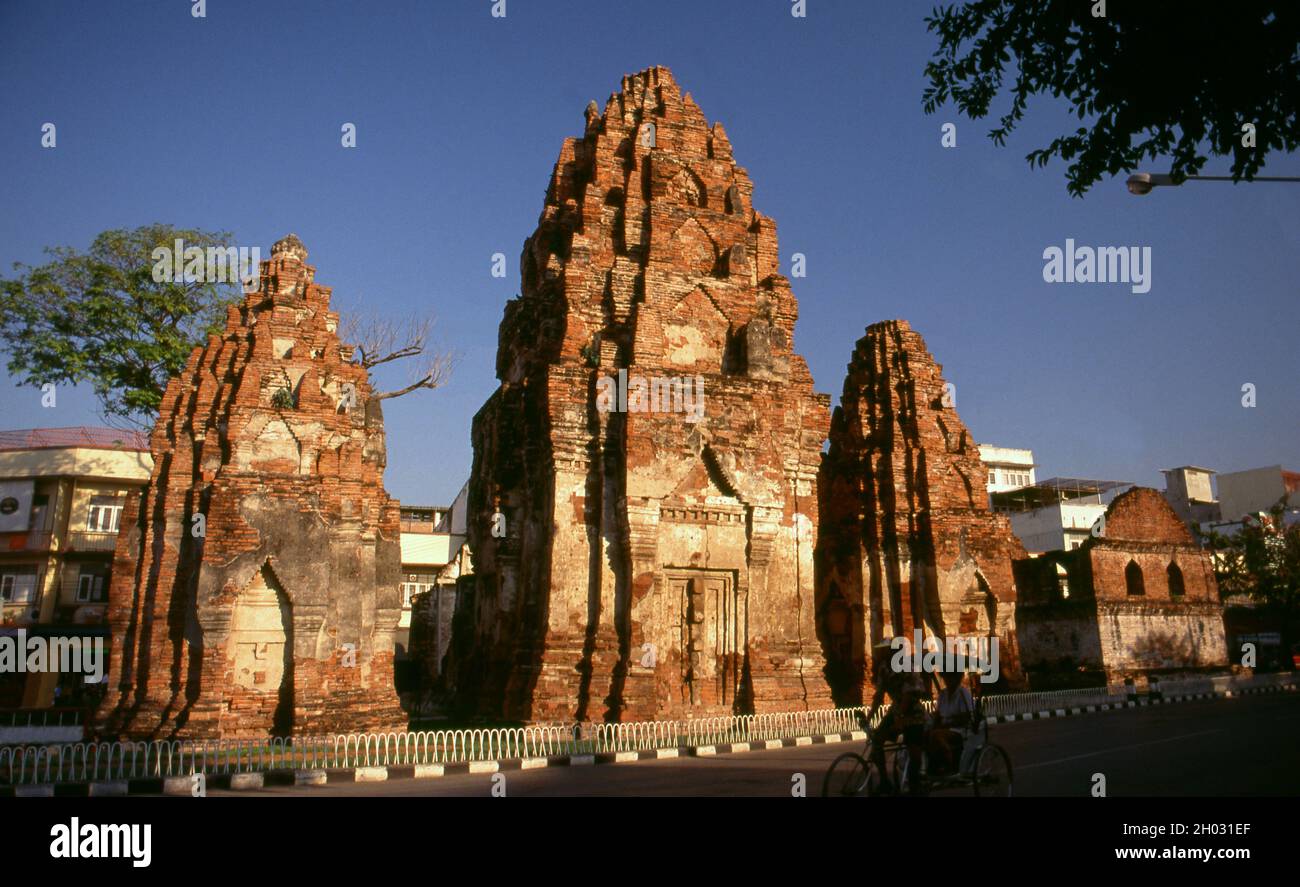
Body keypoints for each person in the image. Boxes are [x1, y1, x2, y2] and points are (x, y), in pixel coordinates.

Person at [864, 641, 932, 794]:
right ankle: (884, 780)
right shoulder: (884, 668)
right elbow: (879, 695)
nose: (882, 654)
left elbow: (909, 694)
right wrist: (870, 716)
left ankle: (915, 785)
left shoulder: (908, 666)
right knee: (877, 740)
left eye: (885, 651)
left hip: (913, 713)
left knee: (914, 751)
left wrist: (901, 717)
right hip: (896, 710)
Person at [927, 670, 975, 776]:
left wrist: (947, 724)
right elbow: (938, 715)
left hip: (960, 731)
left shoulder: (963, 693)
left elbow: (965, 718)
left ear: (956, 678)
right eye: (946, 677)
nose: (948, 680)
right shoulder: (943, 694)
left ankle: (949, 760)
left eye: (950, 677)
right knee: (926, 734)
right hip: (944, 729)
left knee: (936, 735)